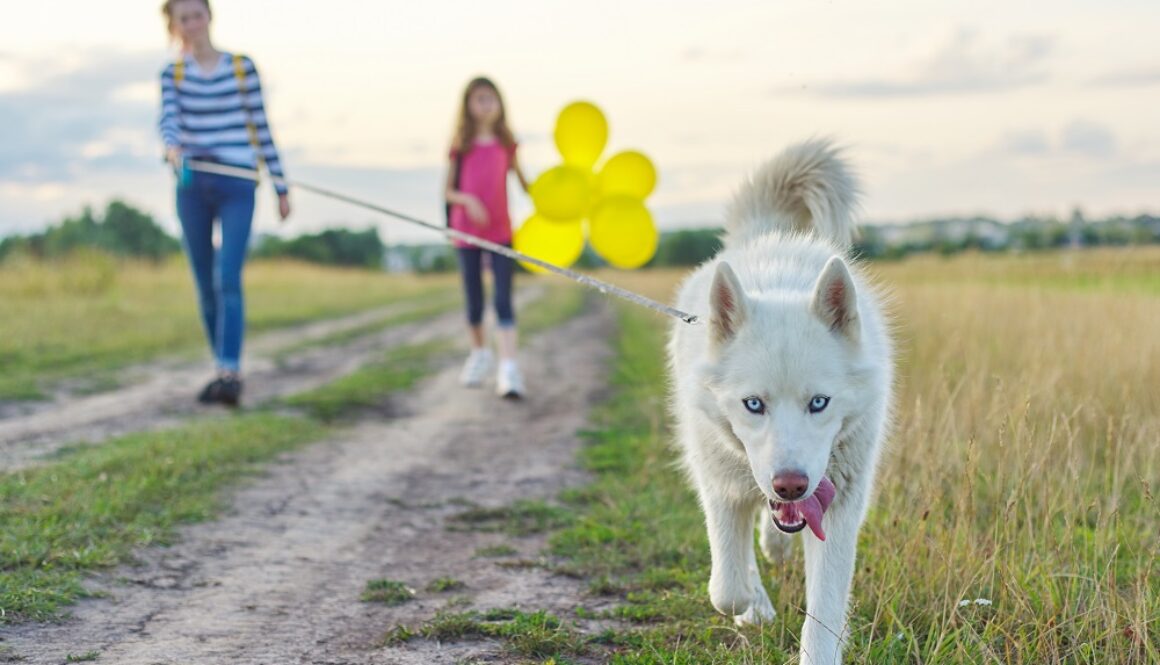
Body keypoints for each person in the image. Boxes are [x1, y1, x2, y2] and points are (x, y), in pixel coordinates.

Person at [157, 0, 291, 407]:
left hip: (238, 180)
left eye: (198, 14)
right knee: (204, 281)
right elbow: (168, 120)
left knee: (227, 276)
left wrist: (280, 183)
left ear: (209, 16)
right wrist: (172, 147)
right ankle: (221, 368)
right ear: (175, 26)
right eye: (184, 18)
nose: (193, 23)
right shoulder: (173, 73)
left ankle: (230, 371)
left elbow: (260, 124)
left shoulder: (241, 67)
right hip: (192, 182)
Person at [444, 77, 530, 399]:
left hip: (500, 232)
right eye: (480, 99)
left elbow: (525, 184)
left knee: (504, 299)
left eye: (491, 98)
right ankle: (480, 353)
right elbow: (448, 191)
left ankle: (509, 368)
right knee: (474, 300)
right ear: (468, 104)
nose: (486, 105)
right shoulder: (460, 145)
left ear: (500, 103)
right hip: (466, 232)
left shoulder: (507, 144)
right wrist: (469, 201)